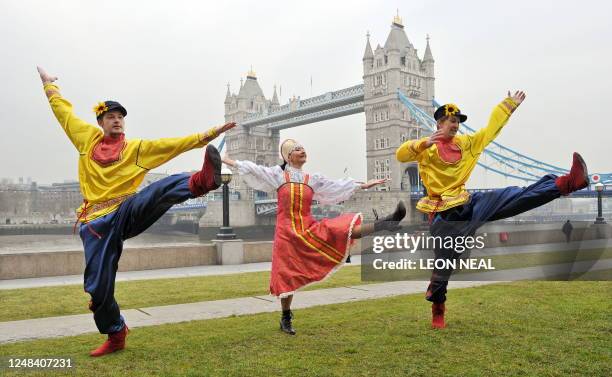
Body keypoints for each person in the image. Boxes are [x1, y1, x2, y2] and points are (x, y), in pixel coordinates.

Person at [37, 66, 236, 356]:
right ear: (101, 122)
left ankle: (200, 181)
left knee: (157, 191)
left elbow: (171, 145)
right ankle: (116, 333)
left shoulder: (135, 149)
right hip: (94, 225)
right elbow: (63, 114)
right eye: (111, 117)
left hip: (125, 210)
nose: (117, 121)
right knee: (97, 290)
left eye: (120, 117)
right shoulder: (85, 139)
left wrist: (207, 135)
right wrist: (49, 86)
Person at [396, 91, 589, 329]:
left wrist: (508, 106)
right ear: (439, 123)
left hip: (468, 202)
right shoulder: (427, 149)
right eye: (451, 120)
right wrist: (424, 142)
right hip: (444, 216)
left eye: (458, 121)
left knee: (512, 196)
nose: (456, 124)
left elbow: (490, 130)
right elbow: (401, 154)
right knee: (443, 266)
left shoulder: (467, 144)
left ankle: (568, 183)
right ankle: (438, 309)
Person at [222, 139, 406, 335]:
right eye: (297, 149)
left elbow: (336, 186)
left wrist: (364, 185)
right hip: (286, 234)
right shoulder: (277, 175)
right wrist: (226, 160)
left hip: (308, 227)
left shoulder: (312, 179)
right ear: (288, 157)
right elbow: (254, 169)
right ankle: (286, 317)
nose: (302, 151)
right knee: (286, 275)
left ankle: (386, 223)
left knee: (340, 229)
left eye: (302, 148)